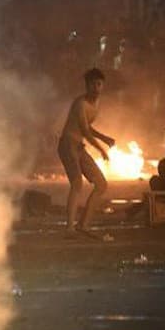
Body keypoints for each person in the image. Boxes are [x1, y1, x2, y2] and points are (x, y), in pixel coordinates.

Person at [58, 68, 115, 239]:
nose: (96, 88)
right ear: (87, 86)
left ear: (102, 85)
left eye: (99, 84)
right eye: (93, 85)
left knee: (101, 184)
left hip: (79, 146)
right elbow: (83, 129)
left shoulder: (96, 104)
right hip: (68, 145)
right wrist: (101, 149)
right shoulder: (80, 103)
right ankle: (69, 228)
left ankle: (84, 224)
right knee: (77, 183)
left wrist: (104, 138)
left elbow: (88, 128)